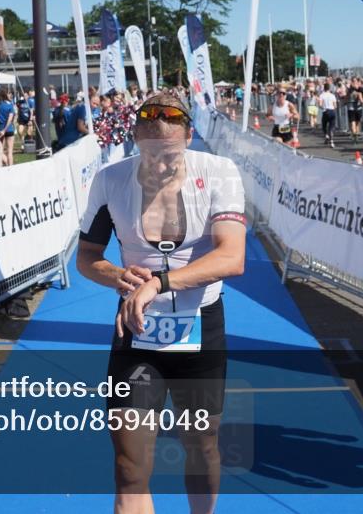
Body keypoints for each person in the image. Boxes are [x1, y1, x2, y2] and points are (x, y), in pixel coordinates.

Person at [76, 92, 246, 514]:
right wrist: (117, 275)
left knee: (201, 447)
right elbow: (87, 258)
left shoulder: (219, 173)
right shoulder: (110, 180)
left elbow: (232, 257)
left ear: (190, 137)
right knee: (129, 466)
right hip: (137, 332)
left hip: (202, 329)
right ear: (135, 138)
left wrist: (159, 284)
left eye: (170, 154)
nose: (160, 166)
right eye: (150, 155)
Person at [0, 88, 16, 165]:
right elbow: (10, 119)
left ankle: (2, 167)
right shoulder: (10, 105)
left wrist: (2, 130)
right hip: (9, 129)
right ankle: (10, 167)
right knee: (10, 151)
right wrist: (5, 130)